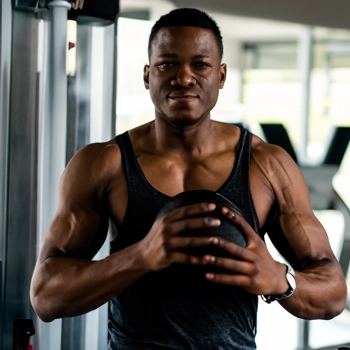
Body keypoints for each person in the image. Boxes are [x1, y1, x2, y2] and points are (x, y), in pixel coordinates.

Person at [30, 7, 347, 349]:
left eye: (200, 64)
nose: (183, 78)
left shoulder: (267, 165)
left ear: (221, 76)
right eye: (167, 64)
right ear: (147, 76)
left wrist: (279, 279)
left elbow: (333, 294)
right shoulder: (102, 164)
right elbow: (46, 296)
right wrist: (139, 256)